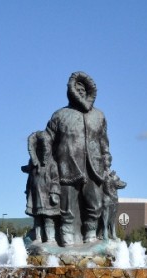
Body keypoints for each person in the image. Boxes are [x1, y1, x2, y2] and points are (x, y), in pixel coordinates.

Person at [44, 72, 114, 246]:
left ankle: (90, 235)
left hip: (94, 167)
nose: (80, 92)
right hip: (67, 167)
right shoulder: (60, 115)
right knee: (67, 205)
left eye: (83, 89)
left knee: (95, 203)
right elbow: (47, 141)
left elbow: (104, 141)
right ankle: (67, 236)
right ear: (70, 91)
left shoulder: (99, 116)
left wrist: (106, 158)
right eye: (77, 89)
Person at [23, 130, 61, 243]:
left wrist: (54, 192)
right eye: (37, 149)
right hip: (35, 195)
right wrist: (27, 190)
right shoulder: (33, 165)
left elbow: (55, 179)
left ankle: (50, 239)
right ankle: (38, 238)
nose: (40, 151)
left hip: (48, 196)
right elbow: (30, 179)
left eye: (42, 148)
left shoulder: (52, 164)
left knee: (48, 218)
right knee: (37, 219)